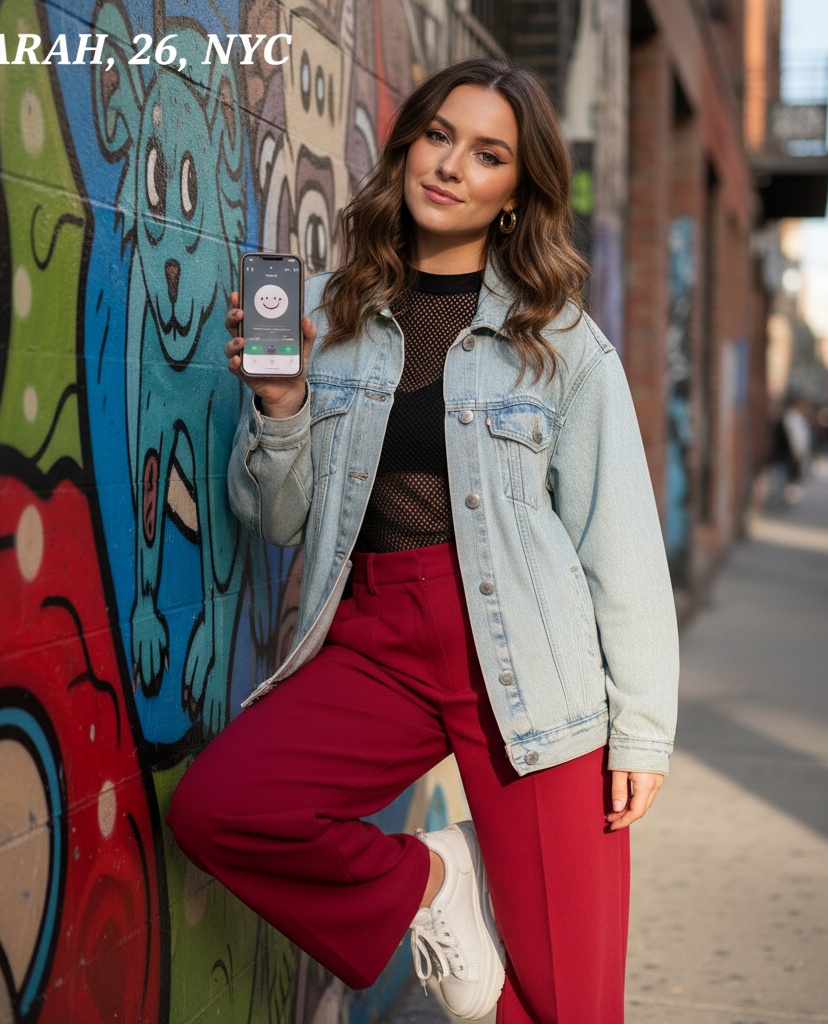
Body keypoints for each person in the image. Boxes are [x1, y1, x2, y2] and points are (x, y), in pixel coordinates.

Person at [167, 56, 679, 1023]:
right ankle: (436, 883)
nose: (450, 165)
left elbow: (620, 543)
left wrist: (642, 730)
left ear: (516, 194)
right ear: (406, 149)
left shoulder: (562, 340)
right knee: (222, 808)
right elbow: (274, 517)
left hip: (530, 658)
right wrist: (280, 403)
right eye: (438, 136)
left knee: (570, 1003)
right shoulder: (328, 318)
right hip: (378, 641)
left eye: (487, 154)